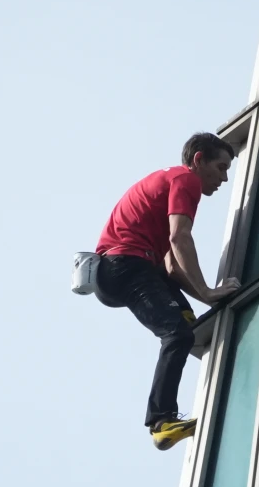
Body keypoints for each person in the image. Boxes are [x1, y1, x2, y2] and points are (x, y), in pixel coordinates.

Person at [96, 133, 242, 450]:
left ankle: (189, 327)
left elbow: (173, 268)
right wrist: (208, 291)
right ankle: (161, 422)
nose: (224, 178)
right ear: (198, 159)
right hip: (126, 265)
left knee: (185, 322)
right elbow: (179, 238)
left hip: (125, 268)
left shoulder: (167, 183)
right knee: (177, 334)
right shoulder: (185, 180)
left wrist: (208, 297)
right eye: (221, 167)